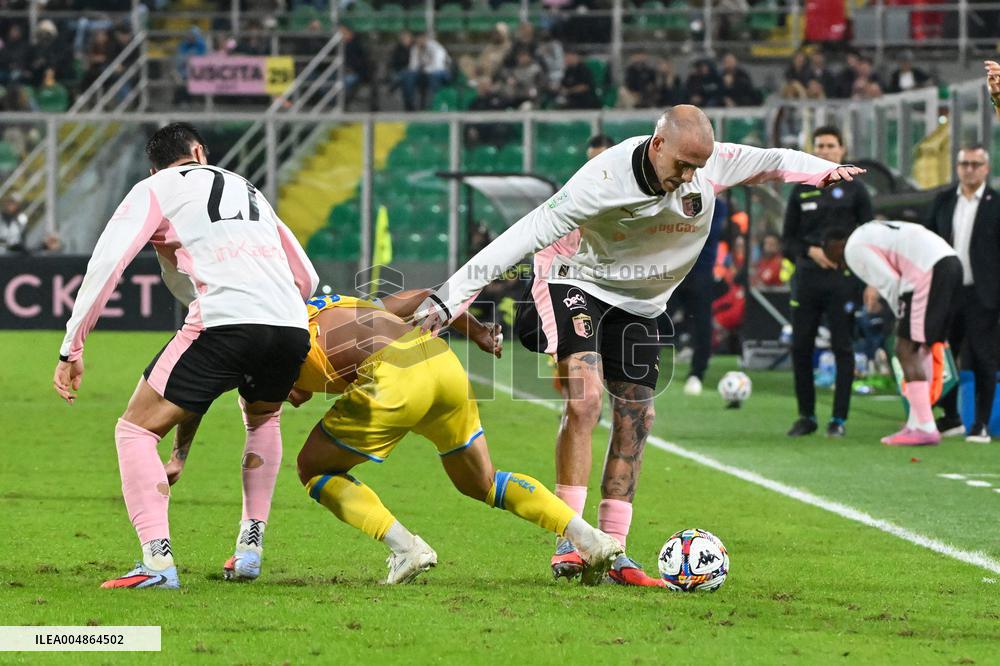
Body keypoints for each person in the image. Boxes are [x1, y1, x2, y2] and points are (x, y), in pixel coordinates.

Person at [413, 105, 864, 585]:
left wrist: (821, 170)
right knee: (585, 400)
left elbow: (772, 160)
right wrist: (448, 300)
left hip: (642, 304)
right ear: (657, 144)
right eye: (682, 165)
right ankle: (572, 539)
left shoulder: (710, 162)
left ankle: (613, 551)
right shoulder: (603, 179)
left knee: (637, 417)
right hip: (577, 280)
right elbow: (521, 236)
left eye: (697, 168)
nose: (689, 177)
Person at [165, 290, 625, 586]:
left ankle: (406, 548)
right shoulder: (348, 305)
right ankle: (588, 538)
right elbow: (428, 296)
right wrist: (480, 334)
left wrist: (179, 453)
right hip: (442, 364)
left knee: (313, 468)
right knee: (483, 482)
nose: (291, 398)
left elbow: (199, 398)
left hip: (395, 380)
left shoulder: (267, 337)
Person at [51, 123, 318, 589]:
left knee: (134, 431)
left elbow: (109, 262)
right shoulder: (248, 188)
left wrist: (72, 346)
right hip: (291, 323)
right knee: (263, 420)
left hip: (224, 319)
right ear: (199, 152)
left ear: (155, 168)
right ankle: (249, 550)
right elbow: (307, 276)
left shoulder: (155, 188)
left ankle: (157, 563)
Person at [823, 222, 962, 446]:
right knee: (921, 348)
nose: (840, 265)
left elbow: (890, 280)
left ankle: (926, 427)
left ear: (836, 245)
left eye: (836, 260)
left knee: (904, 349)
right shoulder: (871, 230)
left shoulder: (852, 248)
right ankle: (917, 422)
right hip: (950, 261)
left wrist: (900, 314)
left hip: (927, 271)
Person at [782, 125, 872, 438]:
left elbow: (870, 235)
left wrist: (868, 277)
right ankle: (806, 416)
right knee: (801, 348)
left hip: (842, 280)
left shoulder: (857, 190)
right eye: (819, 145)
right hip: (807, 278)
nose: (825, 150)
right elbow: (787, 240)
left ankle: (839, 419)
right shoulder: (801, 187)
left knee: (843, 347)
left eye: (831, 145)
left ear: (842, 150)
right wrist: (810, 251)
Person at [924, 143, 1000, 443]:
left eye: (975, 164)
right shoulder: (943, 201)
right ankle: (950, 416)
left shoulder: (996, 203)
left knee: (983, 357)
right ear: (957, 167)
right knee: (943, 354)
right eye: (964, 164)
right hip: (947, 292)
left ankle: (980, 423)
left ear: (986, 169)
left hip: (983, 295)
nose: (969, 169)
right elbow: (927, 241)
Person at [673, 197, 726, 396]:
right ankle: (643, 365)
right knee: (656, 316)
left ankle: (697, 373)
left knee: (702, 323)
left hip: (700, 272)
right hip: (674, 269)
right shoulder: (676, 197)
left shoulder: (716, 204)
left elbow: (704, 232)